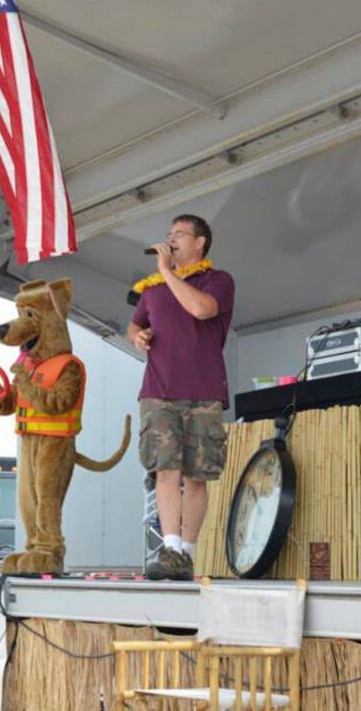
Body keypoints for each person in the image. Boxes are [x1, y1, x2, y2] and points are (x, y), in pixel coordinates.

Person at [128, 214, 235, 580]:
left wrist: (167, 272)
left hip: (203, 391)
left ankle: (186, 552)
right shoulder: (152, 288)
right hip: (158, 390)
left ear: (200, 242)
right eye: (168, 234)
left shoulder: (218, 281)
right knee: (165, 468)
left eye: (178, 234)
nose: (170, 240)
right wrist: (136, 336)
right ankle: (170, 546)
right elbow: (136, 322)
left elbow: (200, 309)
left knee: (197, 474)